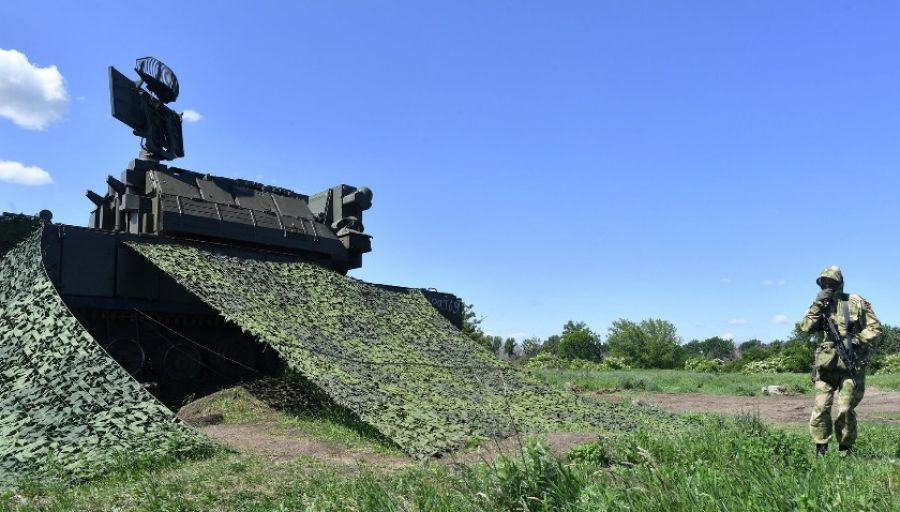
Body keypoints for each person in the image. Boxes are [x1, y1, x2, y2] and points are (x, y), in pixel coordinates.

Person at [800, 266, 882, 455]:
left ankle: (846, 451)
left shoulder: (855, 302)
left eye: (832, 283)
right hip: (826, 366)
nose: (828, 286)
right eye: (824, 283)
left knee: (845, 409)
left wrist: (856, 339)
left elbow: (876, 330)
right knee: (821, 408)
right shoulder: (818, 306)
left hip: (850, 364)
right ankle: (820, 450)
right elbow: (805, 328)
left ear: (840, 283)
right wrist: (817, 305)